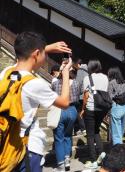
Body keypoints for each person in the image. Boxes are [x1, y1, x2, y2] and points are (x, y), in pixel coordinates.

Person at [0, 32, 72, 172]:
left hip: (7, 145)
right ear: (36, 54)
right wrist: (66, 72)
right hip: (28, 148)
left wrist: (46, 48)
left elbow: (24, 57)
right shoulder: (35, 84)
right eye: (43, 53)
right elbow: (64, 102)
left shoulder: (6, 72)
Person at [80, 59, 109, 169]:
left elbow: (86, 96)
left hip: (91, 108)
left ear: (90, 67)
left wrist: (83, 109)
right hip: (102, 109)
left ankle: (93, 160)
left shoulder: (87, 78)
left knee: (90, 135)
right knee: (96, 130)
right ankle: (101, 153)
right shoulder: (105, 77)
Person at [51, 67, 80, 171]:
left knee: (59, 138)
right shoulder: (76, 83)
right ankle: (67, 159)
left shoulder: (55, 83)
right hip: (72, 110)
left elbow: (52, 96)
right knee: (68, 135)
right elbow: (77, 97)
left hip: (59, 109)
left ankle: (60, 165)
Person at [108, 67, 125, 145]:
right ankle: (121, 148)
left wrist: (108, 111)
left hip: (116, 107)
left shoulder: (111, 83)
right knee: (121, 131)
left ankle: (118, 150)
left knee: (116, 132)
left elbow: (110, 97)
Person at [72, 56, 87, 135]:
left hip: (82, 95)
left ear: (77, 64)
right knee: (84, 112)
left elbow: (78, 84)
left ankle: (83, 128)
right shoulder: (88, 69)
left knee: (78, 111)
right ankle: (84, 128)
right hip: (89, 95)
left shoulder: (81, 70)